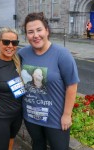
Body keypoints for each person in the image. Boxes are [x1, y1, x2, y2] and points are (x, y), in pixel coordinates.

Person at [18, 12, 80, 150]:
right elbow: (14, 76)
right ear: (26, 35)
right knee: (37, 145)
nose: (35, 35)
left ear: (47, 31)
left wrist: (67, 115)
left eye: (39, 30)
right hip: (31, 117)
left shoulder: (62, 54)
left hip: (55, 119)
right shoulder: (22, 54)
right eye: (30, 32)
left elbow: (72, 85)